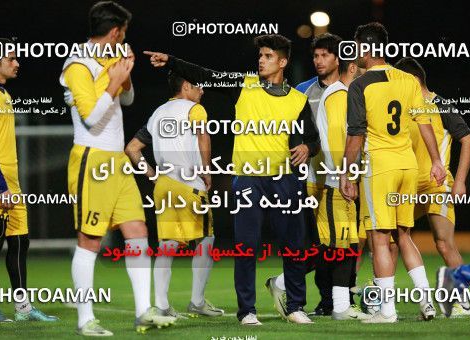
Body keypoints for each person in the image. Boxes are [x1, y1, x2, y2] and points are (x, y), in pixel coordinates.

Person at [144, 34, 320, 325]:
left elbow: (313, 140)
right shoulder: (245, 85)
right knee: (247, 247)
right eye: (260, 55)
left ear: (283, 62)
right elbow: (206, 74)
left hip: (284, 179)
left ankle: (296, 307)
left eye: (268, 56)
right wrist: (170, 61)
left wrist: (306, 147)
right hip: (249, 179)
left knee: (294, 245)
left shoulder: (298, 100)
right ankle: (247, 312)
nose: (261, 60)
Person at [59, 1, 175, 335]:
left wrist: (125, 75)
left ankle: (143, 312)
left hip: (118, 163)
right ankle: (85, 320)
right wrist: (113, 80)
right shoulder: (77, 65)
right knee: (90, 240)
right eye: (123, 32)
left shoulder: (109, 58)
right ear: (115, 31)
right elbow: (91, 119)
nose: (124, 37)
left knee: (138, 231)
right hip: (91, 158)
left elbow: (126, 100)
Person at [340, 22, 446, 323]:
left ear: (366, 48)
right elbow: (424, 123)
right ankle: (426, 301)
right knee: (404, 235)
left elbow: (355, 136)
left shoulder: (360, 85)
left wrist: (347, 175)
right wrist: (437, 161)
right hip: (408, 165)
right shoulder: (408, 80)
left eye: (356, 46)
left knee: (378, 236)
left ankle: (387, 311)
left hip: (381, 167)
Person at [267, 58, 370, 321]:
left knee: (338, 245)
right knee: (338, 246)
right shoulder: (339, 96)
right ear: (354, 70)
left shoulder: (342, 95)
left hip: (334, 179)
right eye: (367, 71)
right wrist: (344, 177)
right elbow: (336, 138)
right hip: (333, 181)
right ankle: (336, 304)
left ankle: (331, 302)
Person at [125, 71, 224, 318]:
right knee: (205, 240)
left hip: (164, 186)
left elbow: (132, 149)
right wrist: (207, 170)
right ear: (187, 86)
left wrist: (151, 175)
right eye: (199, 86)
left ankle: (162, 305)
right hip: (190, 184)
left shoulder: (158, 113)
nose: (202, 91)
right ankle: (197, 301)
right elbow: (203, 135)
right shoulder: (194, 109)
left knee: (167, 245)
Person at [265, 33, 345, 318]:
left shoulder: (349, 90)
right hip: (309, 178)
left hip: (339, 176)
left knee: (339, 243)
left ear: (338, 58)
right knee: (319, 243)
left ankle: (327, 299)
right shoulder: (301, 91)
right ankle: (326, 299)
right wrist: (298, 149)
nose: (319, 61)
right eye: (315, 55)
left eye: (325, 55)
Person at [0, 37, 58, 322]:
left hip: (11, 183)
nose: (17, 63)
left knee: (19, 242)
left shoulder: (4, 94)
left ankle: (23, 308)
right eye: (11, 58)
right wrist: (0, 188)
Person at [395, 57, 470, 316]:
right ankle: (408, 300)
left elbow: (469, 141)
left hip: (435, 185)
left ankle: (463, 303)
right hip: (407, 186)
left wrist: (460, 180)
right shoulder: (403, 107)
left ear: (412, 80)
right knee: (392, 239)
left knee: (443, 243)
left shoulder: (440, 104)